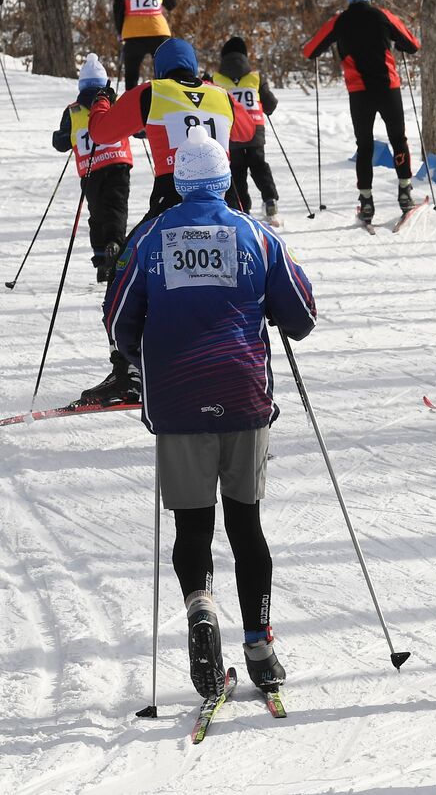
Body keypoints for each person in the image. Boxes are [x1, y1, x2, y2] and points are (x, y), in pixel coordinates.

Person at [104, 125, 317, 698]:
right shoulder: (255, 235)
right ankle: (260, 645)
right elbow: (302, 313)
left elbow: (119, 321)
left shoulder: (150, 238)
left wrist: (144, 349)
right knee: (245, 523)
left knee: (192, 525)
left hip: (176, 399)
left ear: (177, 180)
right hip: (244, 397)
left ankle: (200, 606)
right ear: (225, 180)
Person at [88, 37, 256, 224]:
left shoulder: (151, 92)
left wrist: (101, 100)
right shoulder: (221, 94)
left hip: (173, 193)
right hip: (224, 193)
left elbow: (101, 133)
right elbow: (248, 132)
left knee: (134, 252)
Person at [302, 0, 420, 224]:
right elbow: (413, 45)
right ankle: (405, 192)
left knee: (364, 146)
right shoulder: (383, 16)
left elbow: (310, 50)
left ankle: (366, 201)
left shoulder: (339, 21)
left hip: (360, 94)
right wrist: (398, 43)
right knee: (398, 139)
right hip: (389, 89)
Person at [51, 53, 132, 283]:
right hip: (118, 162)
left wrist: (61, 137)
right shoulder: (113, 103)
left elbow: (61, 143)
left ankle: (100, 260)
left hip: (90, 168)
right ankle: (115, 244)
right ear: (105, 84)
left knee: (96, 214)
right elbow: (135, 125)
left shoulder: (73, 110)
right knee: (116, 207)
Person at [212, 36, 281, 223]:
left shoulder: (215, 79)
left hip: (231, 132)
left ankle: (242, 209)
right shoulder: (255, 77)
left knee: (236, 170)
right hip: (255, 130)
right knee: (259, 166)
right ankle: (270, 200)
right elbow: (271, 104)